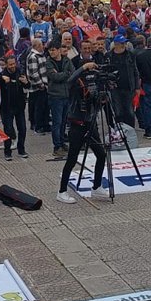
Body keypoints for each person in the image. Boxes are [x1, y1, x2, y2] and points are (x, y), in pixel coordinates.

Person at [56, 57, 110, 204]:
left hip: (90, 123)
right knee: (72, 159)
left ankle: (97, 186)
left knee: (101, 154)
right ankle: (61, 191)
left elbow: (98, 100)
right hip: (77, 124)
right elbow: (69, 81)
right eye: (88, 71)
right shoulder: (77, 83)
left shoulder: (95, 83)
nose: (90, 75)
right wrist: (84, 67)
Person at [0, 54, 28, 161]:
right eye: (10, 64)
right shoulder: (3, 74)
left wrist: (26, 82)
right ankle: (7, 152)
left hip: (19, 106)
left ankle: (21, 149)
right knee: (8, 129)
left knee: (22, 128)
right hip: (6, 107)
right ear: (7, 65)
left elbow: (27, 85)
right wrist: (1, 78)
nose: (12, 66)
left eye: (14, 64)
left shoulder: (20, 72)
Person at [46, 41, 76, 156]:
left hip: (66, 95)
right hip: (55, 96)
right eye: (50, 50)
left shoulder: (66, 60)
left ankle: (63, 141)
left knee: (64, 121)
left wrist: (63, 74)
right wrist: (65, 74)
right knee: (57, 122)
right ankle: (57, 146)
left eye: (53, 49)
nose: (51, 52)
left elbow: (72, 74)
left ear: (58, 50)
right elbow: (54, 77)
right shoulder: (49, 63)